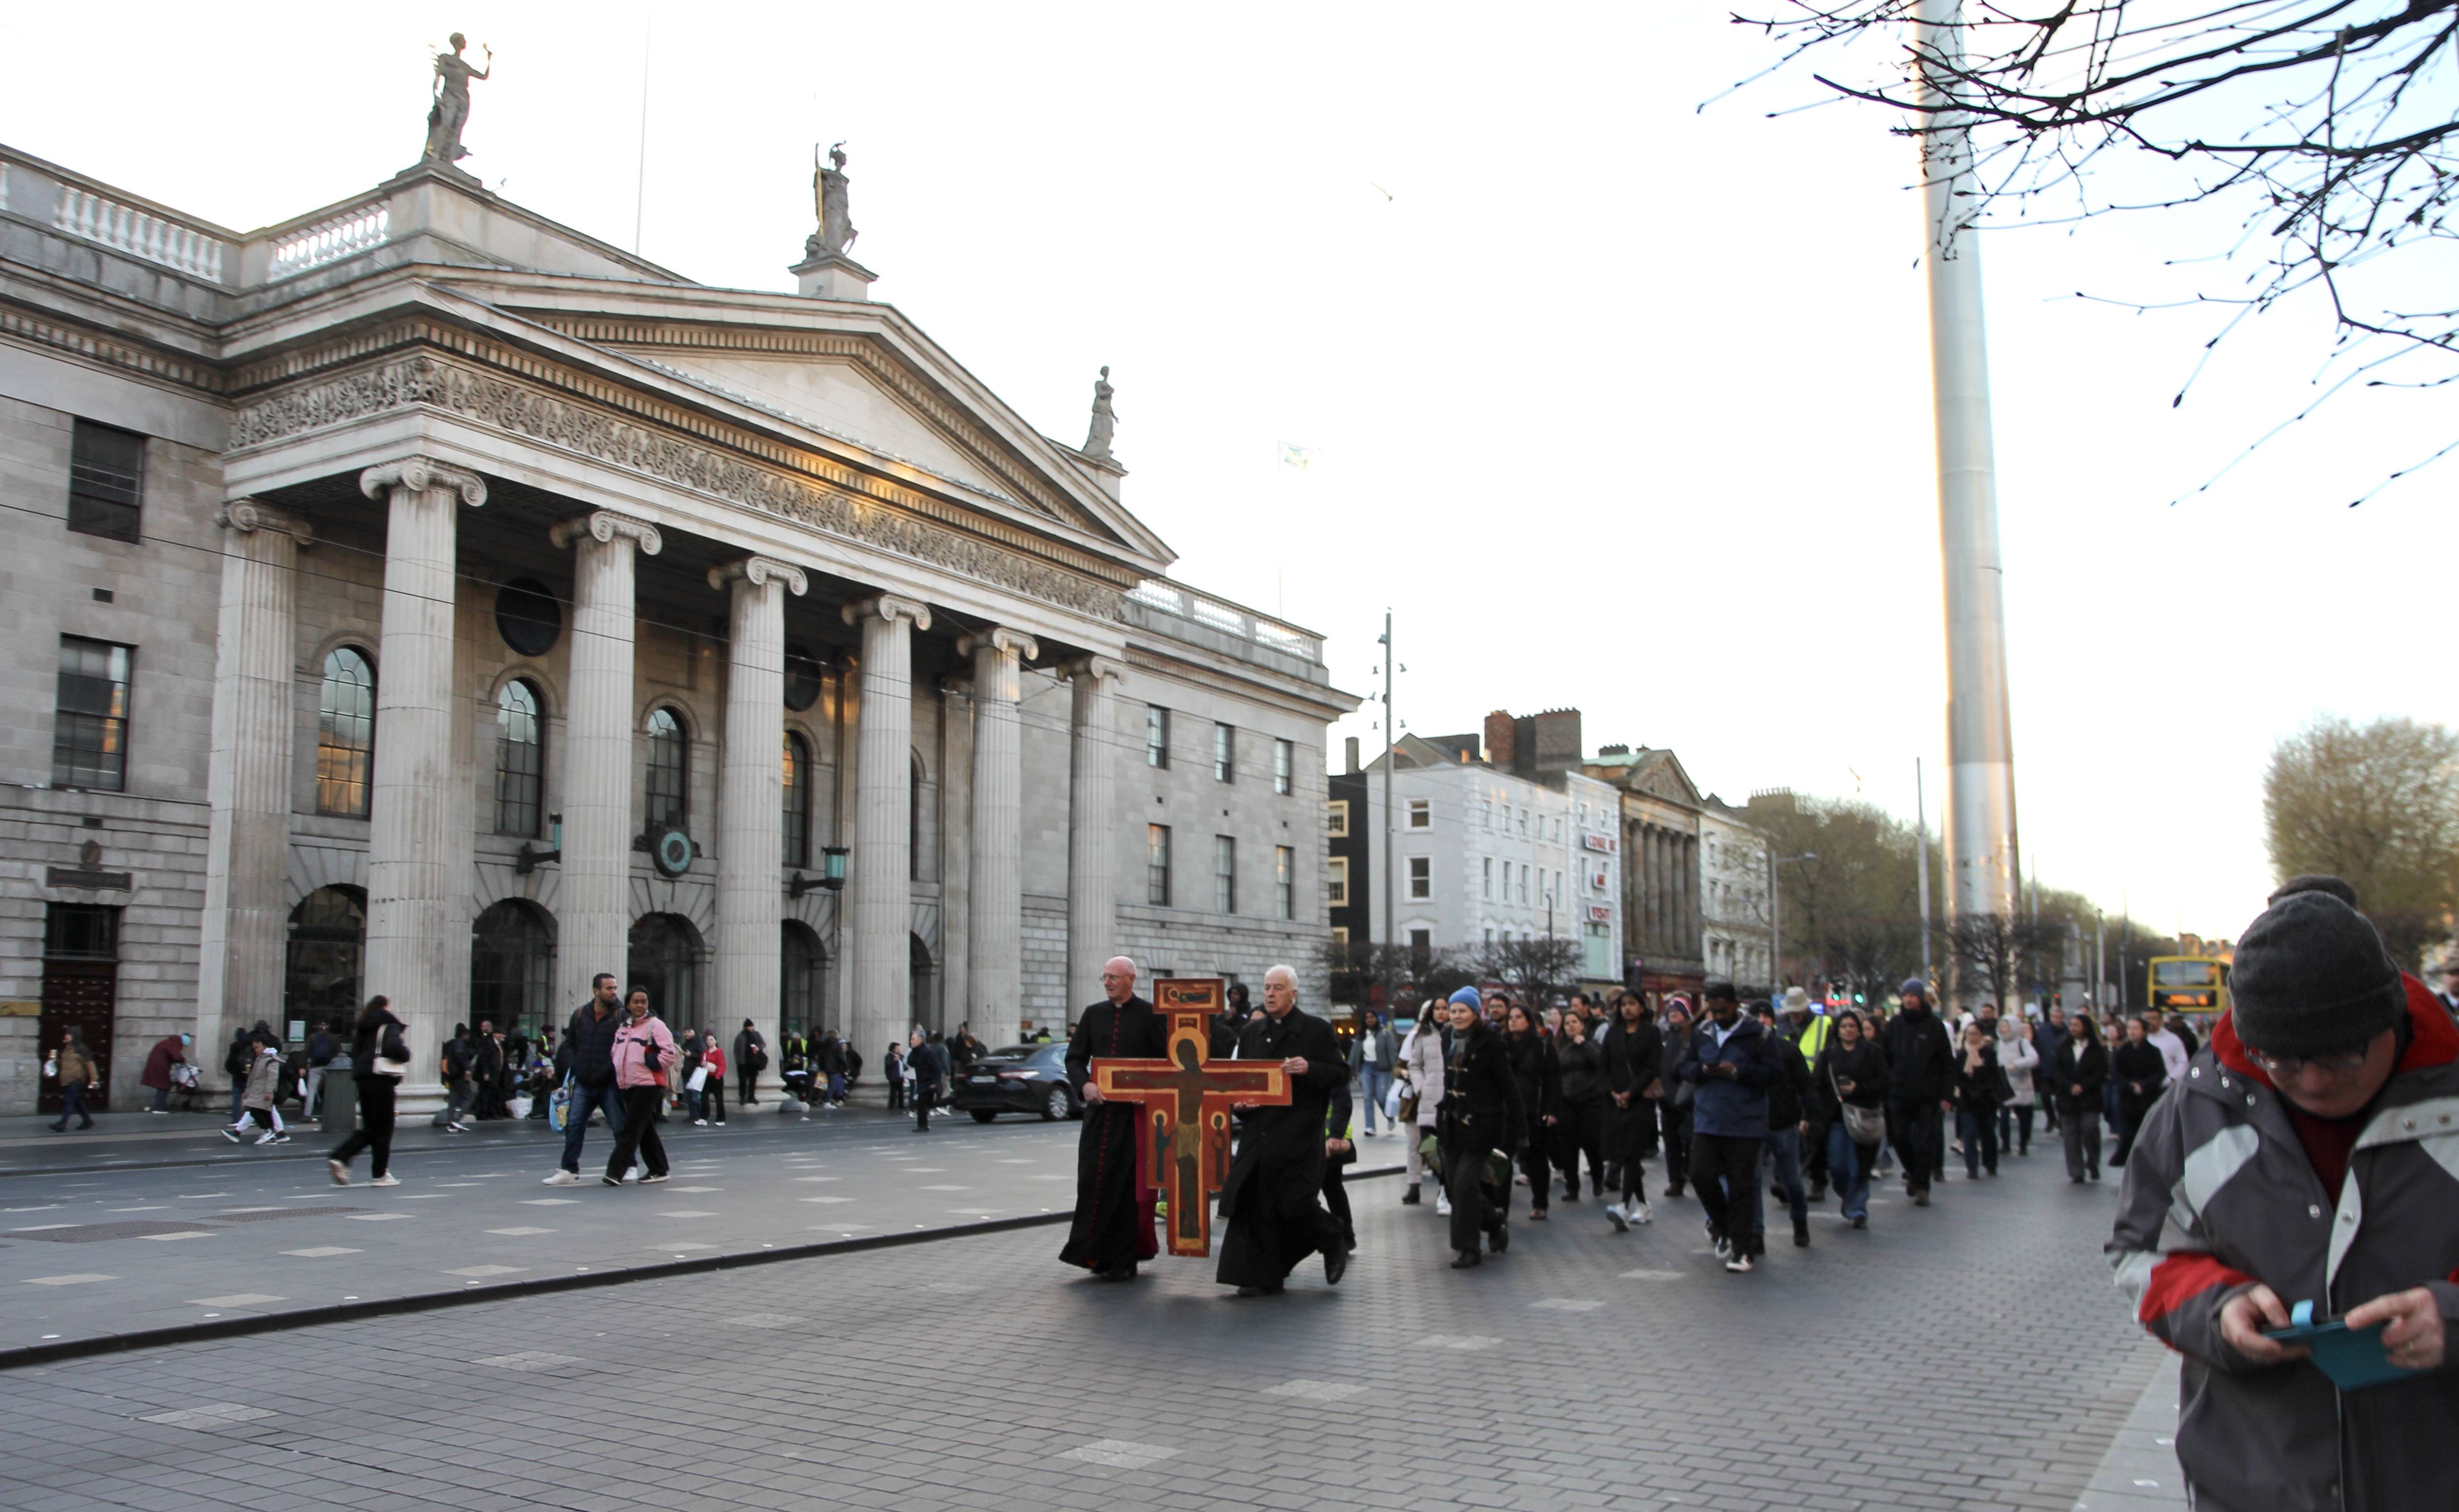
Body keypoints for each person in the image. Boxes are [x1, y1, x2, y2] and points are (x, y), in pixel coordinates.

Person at [2109, 875, 2459, 1512]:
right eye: (2282, 1060)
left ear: (2390, 1017)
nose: (2316, 1081)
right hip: (2253, 1482)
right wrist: (2218, 1310)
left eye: (2342, 1053)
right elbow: (2140, 1254)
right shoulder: (2192, 1111)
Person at [1217, 965, 1350, 1296]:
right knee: (1255, 1206)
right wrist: (1240, 1106)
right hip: (1259, 1136)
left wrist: (1310, 1068)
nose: (1271, 994)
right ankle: (1261, 1276)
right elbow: (1243, 1084)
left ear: (1293, 993)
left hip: (1299, 1136)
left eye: (1278, 988)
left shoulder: (1316, 1030)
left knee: (1295, 1202)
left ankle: (1333, 1236)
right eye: (1267, 988)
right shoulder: (1251, 1033)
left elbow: (1341, 1074)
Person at [1059, 957, 1167, 1281]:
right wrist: (1085, 1085)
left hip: (1135, 1116)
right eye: (1104, 977)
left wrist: (1148, 1092)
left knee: (1127, 1187)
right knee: (1093, 1179)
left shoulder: (1150, 1015)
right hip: (1101, 1113)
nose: (1107, 983)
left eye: (1114, 978)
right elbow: (1075, 1058)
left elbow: (1165, 1062)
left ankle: (1125, 1258)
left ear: (1131, 979)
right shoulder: (1094, 1014)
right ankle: (1093, 1253)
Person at [1678, 981, 1776, 1273]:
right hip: (1708, 1119)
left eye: (1723, 1010)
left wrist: (1738, 1072)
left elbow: (1773, 1074)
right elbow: (1683, 1068)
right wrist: (1703, 1071)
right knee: (1699, 1174)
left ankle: (1743, 1251)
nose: (1718, 1016)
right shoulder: (1702, 1034)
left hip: (1745, 1123)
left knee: (1742, 1185)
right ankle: (1723, 1224)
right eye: (1713, 1010)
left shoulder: (1759, 1034)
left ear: (1735, 1005)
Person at [1437, 986, 1523, 1270]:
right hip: (1452, 1123)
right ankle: (1494, 1218)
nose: (1457, 1016)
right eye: (1453, 1011)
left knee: (1464, 1185)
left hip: (1481, 1125)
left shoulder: (1491, 1042)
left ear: (1476, 1013)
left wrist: (1519, 1130)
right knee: (1452, 1186)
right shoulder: (1447, 1037)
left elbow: (1509, 1087)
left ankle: (1468, 1248)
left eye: (1463, 1011)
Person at [546, 974, 628, 1186]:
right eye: (609, 988)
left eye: (615, 988)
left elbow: (626, 1048)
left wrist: (612, 1069)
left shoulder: (621, 1015)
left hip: (609, 1082)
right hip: (584, 1080)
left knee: (619, 1126)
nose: (614, 992)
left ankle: (629, 1165)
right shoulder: (581, 1014)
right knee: (574, 1125)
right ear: (596, 991)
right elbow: (569, 1044)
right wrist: (575, 1065)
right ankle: (569, 1169)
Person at [1880, 978, 1954, 1205]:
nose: (1909, 999)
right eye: (1906, 996)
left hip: (1927, 1096)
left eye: (1913, 995)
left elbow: (1946, 1063)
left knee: (1925, 1142)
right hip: (1899, 1093)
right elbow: (1885, 1059)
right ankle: (1912, 1172)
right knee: (1900, 1138)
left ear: (1921, 998)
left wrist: (1947, 1095)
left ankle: (1922, 1185)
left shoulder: (1934, 1026)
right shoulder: (1894, 1026)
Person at [1812, 1008, 1887, 1228]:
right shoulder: (1828, 1056)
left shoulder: (1872, 1053)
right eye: (1844, 1026)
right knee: (1837, 1165)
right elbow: (1817, 1085)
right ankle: (1848, 1196)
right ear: (1838, 1030)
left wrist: (1859, 1089)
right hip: (1836, 1118)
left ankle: (1858, 1208)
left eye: (1853, 1026)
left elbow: (1883, 1083)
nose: (1848, 1030)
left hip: (1863, 1116)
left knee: (1859, 1165)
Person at [1752, 1000, 1816, 1248]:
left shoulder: (1788, 1051)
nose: (1762, 1021)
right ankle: (1757, 1232)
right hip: (1754, 1125)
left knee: (1792, 1180)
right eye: (1756, 1017)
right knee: (1754, 1180)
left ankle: (1800, 1222)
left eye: (1766, 1016)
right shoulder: (1746, 1052)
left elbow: (1806, 1086)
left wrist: (1812, 1116)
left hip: (1783, 1123)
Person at [327, 996, 406, 1187]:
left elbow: (356, 1054)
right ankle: (378, 1174)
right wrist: (406, 1054)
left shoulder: (363, 1027)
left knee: (371, 1127)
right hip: (382, 1079)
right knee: (384, 1128)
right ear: (385, 1007)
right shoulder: (388, 1025)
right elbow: (395, 1048)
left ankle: (343, 1158)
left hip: (364, 1080)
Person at [1601, 990, 1663, 1230]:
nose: (1627, 1009)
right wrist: (1613, 1092)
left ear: (1641, 1008)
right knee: (1627, 1155)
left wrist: (1631, 1092)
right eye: (1623, 1005)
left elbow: (1652, 1068)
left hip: (1641, 1101)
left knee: (1633, 1153)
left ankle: (1624, 1206)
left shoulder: (1651, 1033)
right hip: (1616, 1101)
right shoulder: (1613, 1033)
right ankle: (1644, 1205)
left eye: (1632, 1004)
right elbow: (1603, 1066)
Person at [602, 988, 676, 1186]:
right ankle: (659, 1169)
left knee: (632, 1128)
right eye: (636, 1002)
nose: (640, 1005)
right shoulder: (623, 1027)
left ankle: (615, 1172)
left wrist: (653, 1062)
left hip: (649, 1083)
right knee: (645, 1128)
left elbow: (670, 1053)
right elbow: (616, 1052)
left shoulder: (656, 1025)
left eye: (643, 1002)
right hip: (629, 1083)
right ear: (628, 1004)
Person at [1502, 1003, 1559, 1220]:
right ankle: (1502, 1206)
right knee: (1504, 1159)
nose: (1513, 1020)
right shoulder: (1503, 1046)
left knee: (1536, 1158)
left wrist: (1551, 1109)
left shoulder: (1541, 1046)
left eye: (1518, 1017)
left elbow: (1553, 1080)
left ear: (1529, 1021)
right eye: (1511, 1017)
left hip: (1533, 1110)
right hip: (1507, 1111)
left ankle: (1540, 1202)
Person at [1551, 1007, 1607, 1206]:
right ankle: (1572, 1188)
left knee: (1592, 1144)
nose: (1571, 1026)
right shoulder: (1559, 1047)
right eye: (1567, 1023)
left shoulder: (1592, 1044)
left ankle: (1598, 1179)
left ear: (1582, 1025)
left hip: (1591, 1100)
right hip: (1566, 1101)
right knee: (1568, 1147)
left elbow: (1602, 1063)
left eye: (1575, 1022)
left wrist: (1584, 1045)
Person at [1398, 1005, 1448, 1210]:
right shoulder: (1416, 1037)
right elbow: (1403, 1065)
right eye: (1435, 1009)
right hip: (1416, 1101)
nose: (1441, 1013)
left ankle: (1445, 1188)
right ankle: (1414, 1184)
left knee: (1441, 1146)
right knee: (1416, 1145)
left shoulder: (1454, 1035)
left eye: (1445, 1009)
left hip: (1443, 1101)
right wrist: (1416, 1082)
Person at [2052, 1011, 2107, 1181]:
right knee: (2071, 1135)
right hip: (2067, 1098)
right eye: (2072, 1025)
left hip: (2089, 1098)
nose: (2073, 1028)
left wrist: (2083, 1086)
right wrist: (2069, 1086)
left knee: (2089, 1129)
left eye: (2077, 1025)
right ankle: (2076, 1171)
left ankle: (2093, 1162)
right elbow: (2057, 1071)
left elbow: (2101, 1072)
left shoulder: (2096, 1049)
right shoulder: (2063, 1047)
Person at [2109, 1016, 2169, 1167]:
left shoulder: (2153, 1052)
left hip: (2147, 1099)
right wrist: (2130, 1086)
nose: (2132, 1032)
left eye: (2136, 1029)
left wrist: (2144, 1085)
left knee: (2147, 1135)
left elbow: (2160, 1073)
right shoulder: (2121, 1051)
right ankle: (2128, 1163)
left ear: (2144, 1031)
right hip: (2127, 1100)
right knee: (2127, 1135)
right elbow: (2116, 1074)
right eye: (2130, 1028)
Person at [1951, 1019, 2005, 1178]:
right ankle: (1972, 1168)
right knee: (1969, 1134)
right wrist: (1966, 1089)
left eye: (1975, 1034)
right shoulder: (1962, 1055)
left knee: (1988, 1134)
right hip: (1967, 1101)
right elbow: (1957, 1077)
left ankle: (1991, 1164)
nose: (1972, 1037)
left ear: (1981, 1035)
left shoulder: (1989, 1053)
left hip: (1986, 1100)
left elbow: (1994, 1076)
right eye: (1969, 1034)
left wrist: (1983, 1090)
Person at [1656, 998, 1695, 1199]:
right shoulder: (1665, 1036)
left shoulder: (1693, 1036)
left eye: (1677, 1012)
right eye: (1670, 1012)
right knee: (1671, 1144)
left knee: (1690, 1140)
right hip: (1667, 1098)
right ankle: (1675, 1181)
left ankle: (1691, 1173)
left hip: (1687, 1099)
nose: (1673, 1015)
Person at [1322, 1071, 1358, 1253]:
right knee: (1330, 1189)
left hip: (1331, 1141)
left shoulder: (1332, 1064)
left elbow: (1342, 1103)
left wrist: (1336, 1135)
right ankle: (1344, 1234)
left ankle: (1345, 1234)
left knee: (1332, 1188)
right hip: (1314, 1139)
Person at [1997, 1014, 2039, 1156]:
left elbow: (2033, 1058)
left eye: (2006, 1026)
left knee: (2024, 1119)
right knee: (2003, 1118)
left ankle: (2023, 1144)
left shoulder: (2023, 1043)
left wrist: (2018, 1064)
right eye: (2001, 1026)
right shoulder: (2000, 1043)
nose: (2003, 1030)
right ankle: (2006, 1144)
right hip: (2004, 1084)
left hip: (2022, 1084)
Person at [1350, 1009, 1396, 1137]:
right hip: (1367, 1068)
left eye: (1372, 1017)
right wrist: (1349, 1068)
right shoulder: (1361, 1035)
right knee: (1367, 1097)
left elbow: (1392, 1053)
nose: (1370, 1020)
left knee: (1381, 1097)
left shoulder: (1385, 1034)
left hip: (1383, 1068)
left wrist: (1395, 1071)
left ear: (1377, 1018)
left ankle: (1390, 1116)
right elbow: (1355, 1053)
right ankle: (1370, 1126)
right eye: (1367, 1018)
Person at [45, 1027, 99, 1132]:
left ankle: (62, 1124)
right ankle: (87, 1121)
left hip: (76, 1080)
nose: (66, 1036)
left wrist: (94, 1079)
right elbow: (64, 1064)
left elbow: (90, 1065)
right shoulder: (66, 1049)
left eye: (69, 1035)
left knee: (69, 1101)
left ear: (75, 1036)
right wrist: (54, 1061)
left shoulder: (82, 1049)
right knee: (77, 1102)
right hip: (66, 1080)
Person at [139, 1031, 191, 1114]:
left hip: (157, 1064)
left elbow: (172, 1055)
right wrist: (183, 1061)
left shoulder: (169, 1042)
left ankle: (160, 1106)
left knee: (163, 1085)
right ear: (183, 1043)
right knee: (164, 1085)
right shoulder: (174, 1044)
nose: (184, 1049)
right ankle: (159, 1107)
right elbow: (177, 1056)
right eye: (185, 1047)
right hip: (160, 1065)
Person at [2143, 1007, 2191, 1087]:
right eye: (2147, 1019)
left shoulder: (2172, 1039)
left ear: (2161, 1020)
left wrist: (2171, 1078)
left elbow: (2183, 1062)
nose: (2149, 1022)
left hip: (2167, 1085)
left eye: (2154, 1019)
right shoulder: (2139, 1039)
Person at [908, 1028, 944, 1131]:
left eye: (913, 1039)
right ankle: (924, 1125)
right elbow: (911, 1062)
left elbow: (937, 1068)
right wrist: (913, 1050)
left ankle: (923, 1125)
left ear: (920, 1040)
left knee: (922, 1104)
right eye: (911, 1039)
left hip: (928, 1082)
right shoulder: (917, 1051)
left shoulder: (928, 1052)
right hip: (922, 1081)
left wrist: (935, 1083)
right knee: (927, 1104)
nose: (911, 1041)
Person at [303, 1020, 336, 1122]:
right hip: (330, 1067)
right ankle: (334, 1113)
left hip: (315, 1066)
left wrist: (302, 1066)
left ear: (318, 1027)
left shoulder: (312, 1037)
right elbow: (338, 1052)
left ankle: (307, 1114)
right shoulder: (333, 1038)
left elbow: (306, 1052)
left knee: (311, 1091)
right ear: (328, 1026)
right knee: (332, 1091)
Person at [732, 1019, 766, 1106]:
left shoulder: (756, 1035)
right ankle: (743, 1097)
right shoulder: (740, 1036)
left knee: (753, 1081)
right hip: (743, 1063)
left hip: (754, 1062)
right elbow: (736, 1049)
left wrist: (759, 1048)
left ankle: (751, 1097)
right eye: (749, 1026)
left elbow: (763, 1044)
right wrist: (738, 1060)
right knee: (742, 1081)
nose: (750, 1028)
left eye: (751, 1026)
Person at [697, 1032, 727, 1125]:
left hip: (716, 1078)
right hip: (707, 1077)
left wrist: (719, 1075)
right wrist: (703, 1064)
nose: (709, 1042)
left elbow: (722, 1065)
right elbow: (702, 1063)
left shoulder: (719, 1052)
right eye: (708, 1040)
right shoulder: (705, 1053)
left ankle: (721, 1119)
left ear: (715, 1041)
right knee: (704, 1098)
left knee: (719, 1099)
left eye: (711, 1040)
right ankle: (703, 1118)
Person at [884, 1041, 907, 1109]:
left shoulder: (901, 1056)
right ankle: (892, 1105)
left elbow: (904, 1065)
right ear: (894, 1049)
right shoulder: (889, 1056)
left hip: (901, 1077)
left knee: (901, 1092)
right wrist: (895, 1061)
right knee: (893, 1092)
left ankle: (901, 1105)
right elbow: (888, 1065)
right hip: (893, 1077)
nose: (899, 1050)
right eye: (898, 1048)